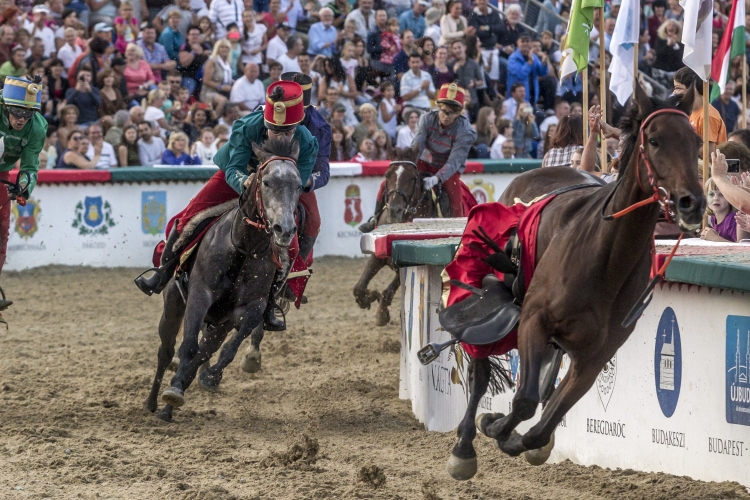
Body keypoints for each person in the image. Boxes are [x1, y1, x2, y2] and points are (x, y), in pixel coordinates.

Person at [135, 81, 319, 332]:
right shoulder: (246, 127)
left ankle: (270, 303)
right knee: (189, 217)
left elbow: (295, 183)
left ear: (297, 126)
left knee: (292, 244)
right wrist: (245, 182)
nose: (280, 136)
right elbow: (233, 168)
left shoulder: (307, 143)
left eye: (287, 132)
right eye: (274, 130)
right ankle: (162, 273)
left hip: (274, 186)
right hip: (237, 176)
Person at [359, 83, 476, 233]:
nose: (446, 116)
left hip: (448, 169)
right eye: (443, 111)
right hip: (423, 162)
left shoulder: (466, 131)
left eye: (451, 113)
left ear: (459, 113)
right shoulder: (426, 119)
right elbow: (417, 145)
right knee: (387, 184)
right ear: (438, 107)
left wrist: (437, 178)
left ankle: (458, 232)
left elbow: (454, 161)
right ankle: (375, 218)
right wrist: (409, 164)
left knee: (454, 198)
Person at [0, 76, 46, 307]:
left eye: (27, 114)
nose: (22, 119)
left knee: (1, 232)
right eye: (17, 112)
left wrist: (23, 186)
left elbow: (29, 166)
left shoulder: (37, 127)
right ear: (5, 106)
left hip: (2, 174)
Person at [674, 67, 726, 159]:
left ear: (692, 89)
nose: (674, 93)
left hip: (708, 171)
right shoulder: (688, 113)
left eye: (678, 88)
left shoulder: (708, 115)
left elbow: (709, 152)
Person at [506, 35, 548, 108]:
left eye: (527, 41)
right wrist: (529, 63)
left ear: (531, 44)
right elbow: (520, 75)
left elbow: (542, 73)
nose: (525, 43)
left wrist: (544, 62)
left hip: (532, 98)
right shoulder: (513, 58)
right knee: (522, 117)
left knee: (533, 117)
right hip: (517, 102)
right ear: (518, 43)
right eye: (522, 41)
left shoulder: (533, 56)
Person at [701, 175, 737, 242]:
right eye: (711, 194)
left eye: (721, 194)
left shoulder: (733, 220)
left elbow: (740, 248)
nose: (715, 198)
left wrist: (715, 238)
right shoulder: (713, 218)